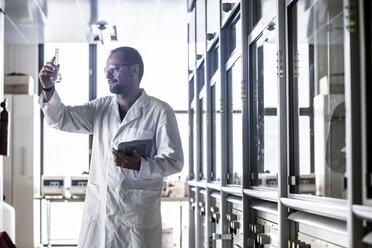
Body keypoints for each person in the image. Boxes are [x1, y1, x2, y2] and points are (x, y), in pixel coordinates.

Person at [38, 46, 184, 247]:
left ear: (135, 70)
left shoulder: (159, 111)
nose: (108, 74)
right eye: (106, 69)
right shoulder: (100, 108)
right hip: (100, 216)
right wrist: (47, 87)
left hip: (137, 219)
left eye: (114, 68)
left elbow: (174, 162)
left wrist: (140, 165)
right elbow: (60, 119)